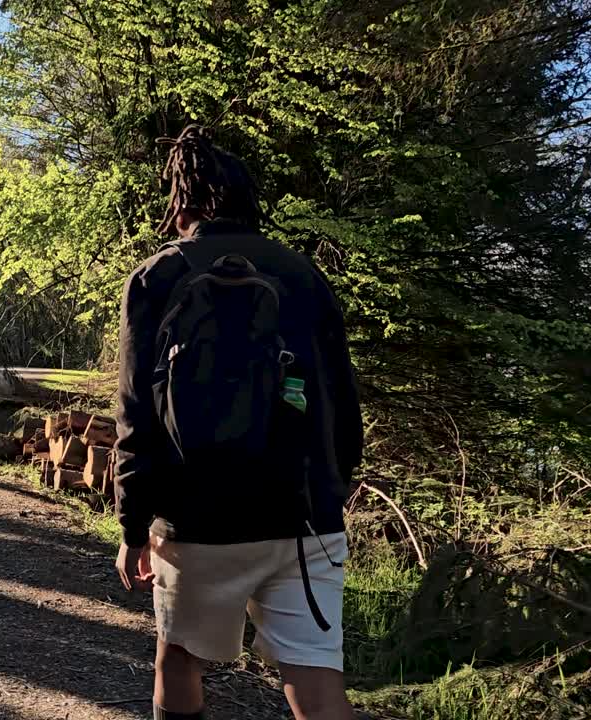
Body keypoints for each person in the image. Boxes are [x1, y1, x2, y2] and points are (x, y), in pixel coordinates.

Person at [112, 125, 363, 720]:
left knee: (178, 661)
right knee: (316, 680)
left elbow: (135, 414)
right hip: (305, 518)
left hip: (199, 522)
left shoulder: (157, 277)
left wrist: (131, 526)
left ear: (184, 202)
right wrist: (333, 492)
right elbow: (342, 399)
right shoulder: (303, 275)